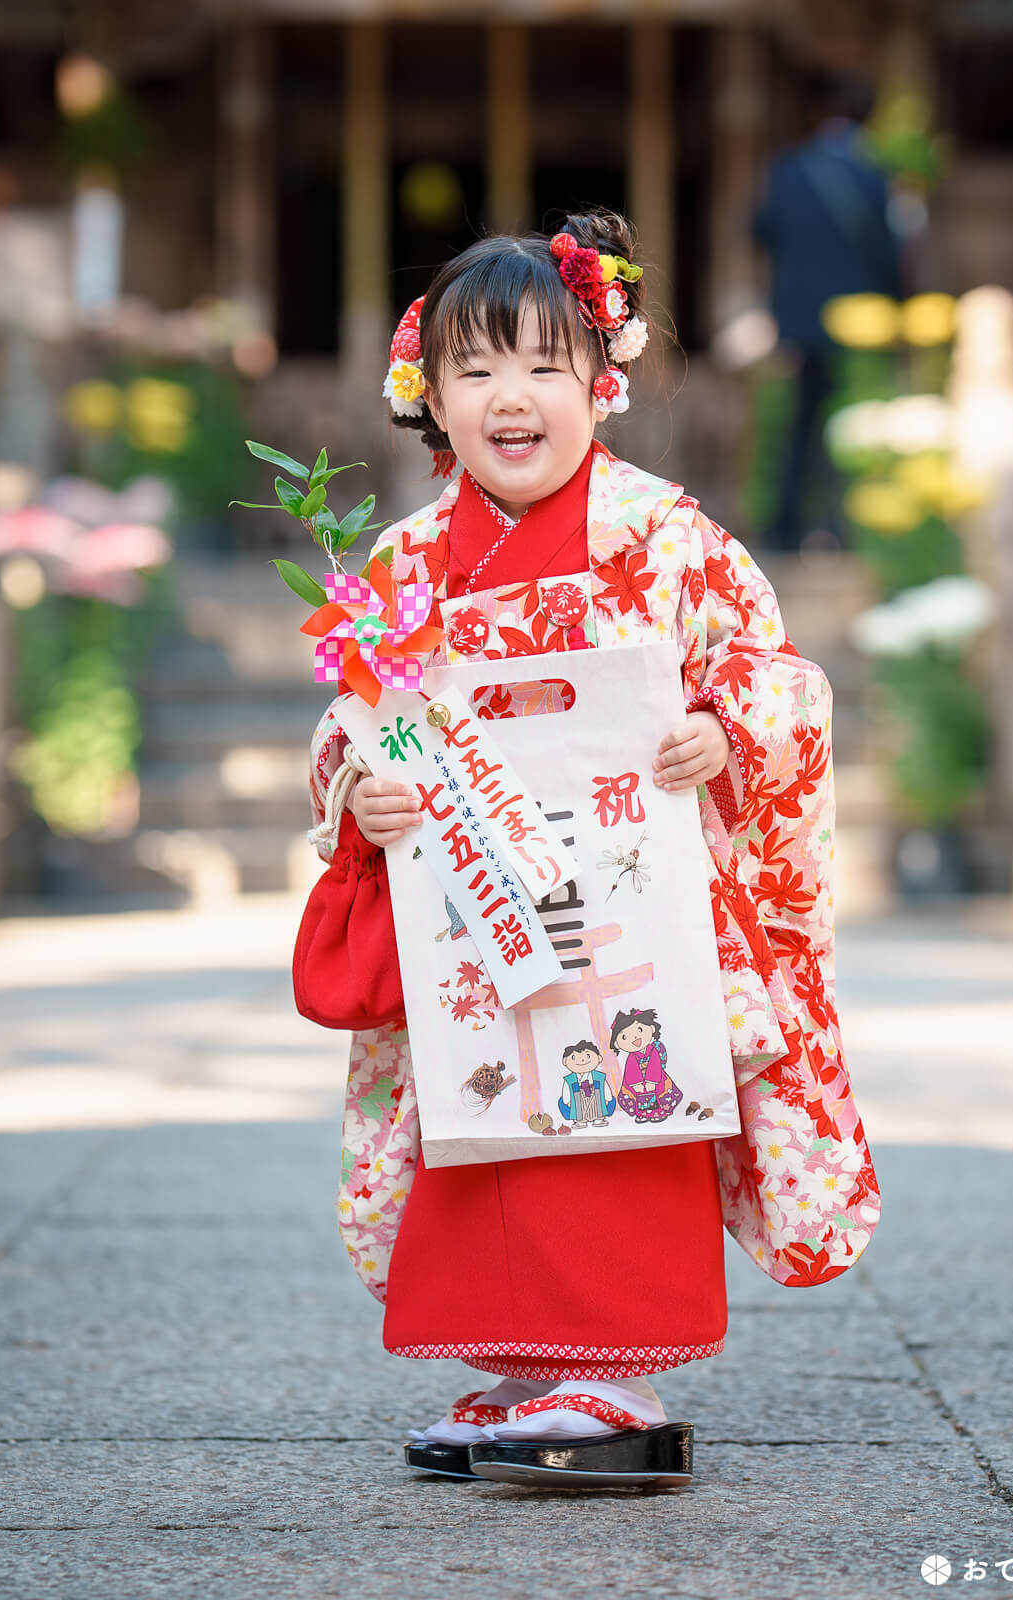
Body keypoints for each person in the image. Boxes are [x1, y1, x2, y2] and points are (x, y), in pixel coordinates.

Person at [308, 208, 881, 1489]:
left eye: (539, 364)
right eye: (475, 368)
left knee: (621, 1106)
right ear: (429, 397)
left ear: (597, 381)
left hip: (631, 904)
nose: (510, 396)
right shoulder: (401, 565)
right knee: (478, 1117)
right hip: (471, 908)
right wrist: (368, 793)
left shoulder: (664, 537)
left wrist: (719, 731)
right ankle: (518, 1364)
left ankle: (612, 1372)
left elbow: (770, 673)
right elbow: (355, 728)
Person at [754, 76, 903, 552]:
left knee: (799, 422)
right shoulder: (876, 177)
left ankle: (785, 529)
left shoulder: (789, 169)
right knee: (856, 424)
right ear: (869, 119)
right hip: (860, 323)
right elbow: (891, 254)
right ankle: (846, 530)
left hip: (799, 320)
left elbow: (759, 232)